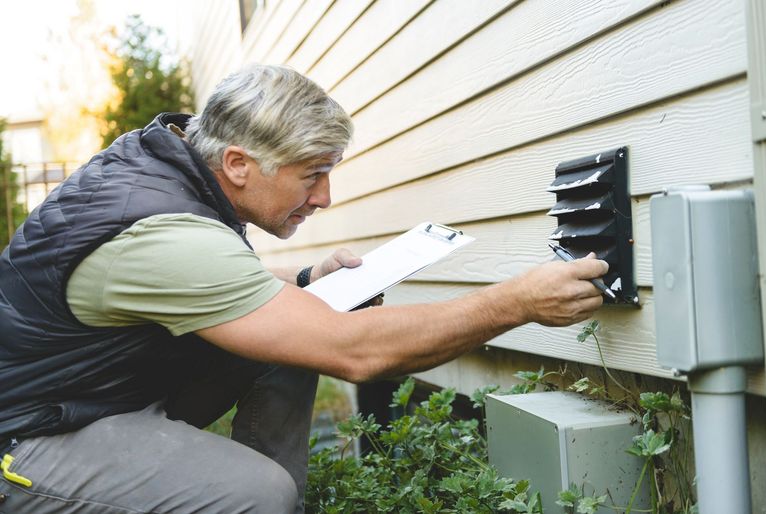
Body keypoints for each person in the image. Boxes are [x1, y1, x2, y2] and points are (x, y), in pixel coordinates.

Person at [0, 64, 608, 513]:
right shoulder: (162, 229)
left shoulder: (168, 163)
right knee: (256, 493)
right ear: (238, 163)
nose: (324, 197)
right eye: (311, 174)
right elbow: (357, 353)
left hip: (89, 389)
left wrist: (306, 279)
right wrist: (517, 302)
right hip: (31, 434)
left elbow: (177, 285)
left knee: (296, 330)